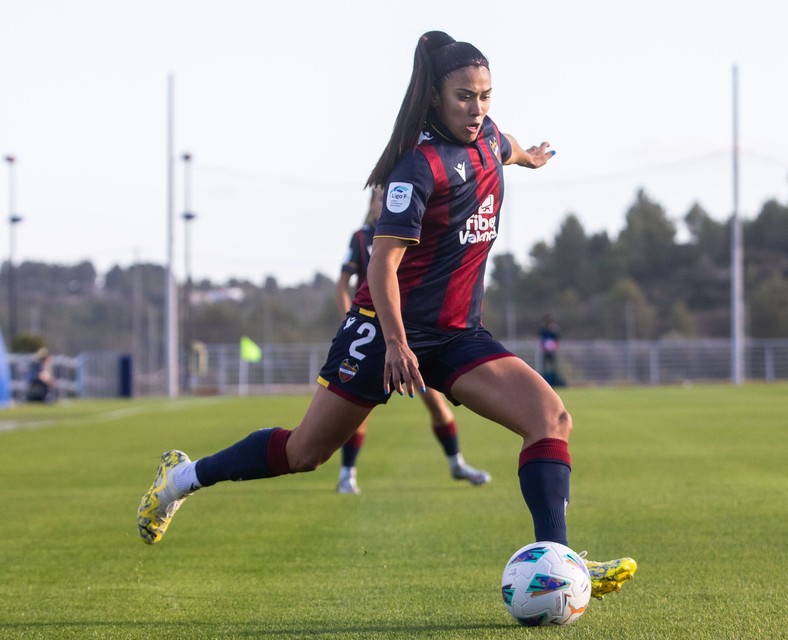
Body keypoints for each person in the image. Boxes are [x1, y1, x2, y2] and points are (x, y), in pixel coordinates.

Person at [137, 30, 636, 599]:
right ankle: (180, 478)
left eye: (486, 96)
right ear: (434, 99)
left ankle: (561, 562)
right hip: (382, 332)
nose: (477, 110)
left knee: (550, 418)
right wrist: (398, 344)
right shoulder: (417, 169)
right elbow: (381, 268)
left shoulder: (490, 138)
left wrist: (530, 158)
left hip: (455, 336)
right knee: (305, 452)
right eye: (464, 97)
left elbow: (506, 144)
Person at [333, 186, 491, 494]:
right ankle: (347, 474)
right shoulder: (362, 238)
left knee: (435, 400)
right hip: (374, 336)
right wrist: (347, 320)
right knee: (358, 407)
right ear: (373, 203)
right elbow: (342, 282)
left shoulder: (412, 232)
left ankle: (456, 462)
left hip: (415, 335)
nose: (388, 202)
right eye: (381, 197)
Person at [538, 313, 564, 387]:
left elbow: (556, 340)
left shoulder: (554, 330)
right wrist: (544, 347)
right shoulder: (543, 330)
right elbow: (541, 340)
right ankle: (544, 383)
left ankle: (555, 382)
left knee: (554, 367)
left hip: (552, 352)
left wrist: (554, 348)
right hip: (545, 351)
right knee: (544, 367)